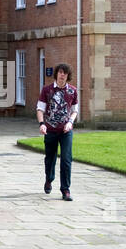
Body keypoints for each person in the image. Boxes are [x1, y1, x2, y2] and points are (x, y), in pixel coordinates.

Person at [37, 63, 79, 200]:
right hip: (50, 129)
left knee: (66, 159)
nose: (62, 75)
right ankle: (49, 179)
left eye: (65, 73)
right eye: (60, 72)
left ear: (68, 76)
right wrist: (42, 124)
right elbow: (40, 109)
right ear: (56, 74)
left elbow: (74, 111)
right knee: (50, 158)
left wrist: (70, 122)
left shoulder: (73, 91)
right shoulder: (47, 90)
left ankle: (65, 190)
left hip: (66, 131)